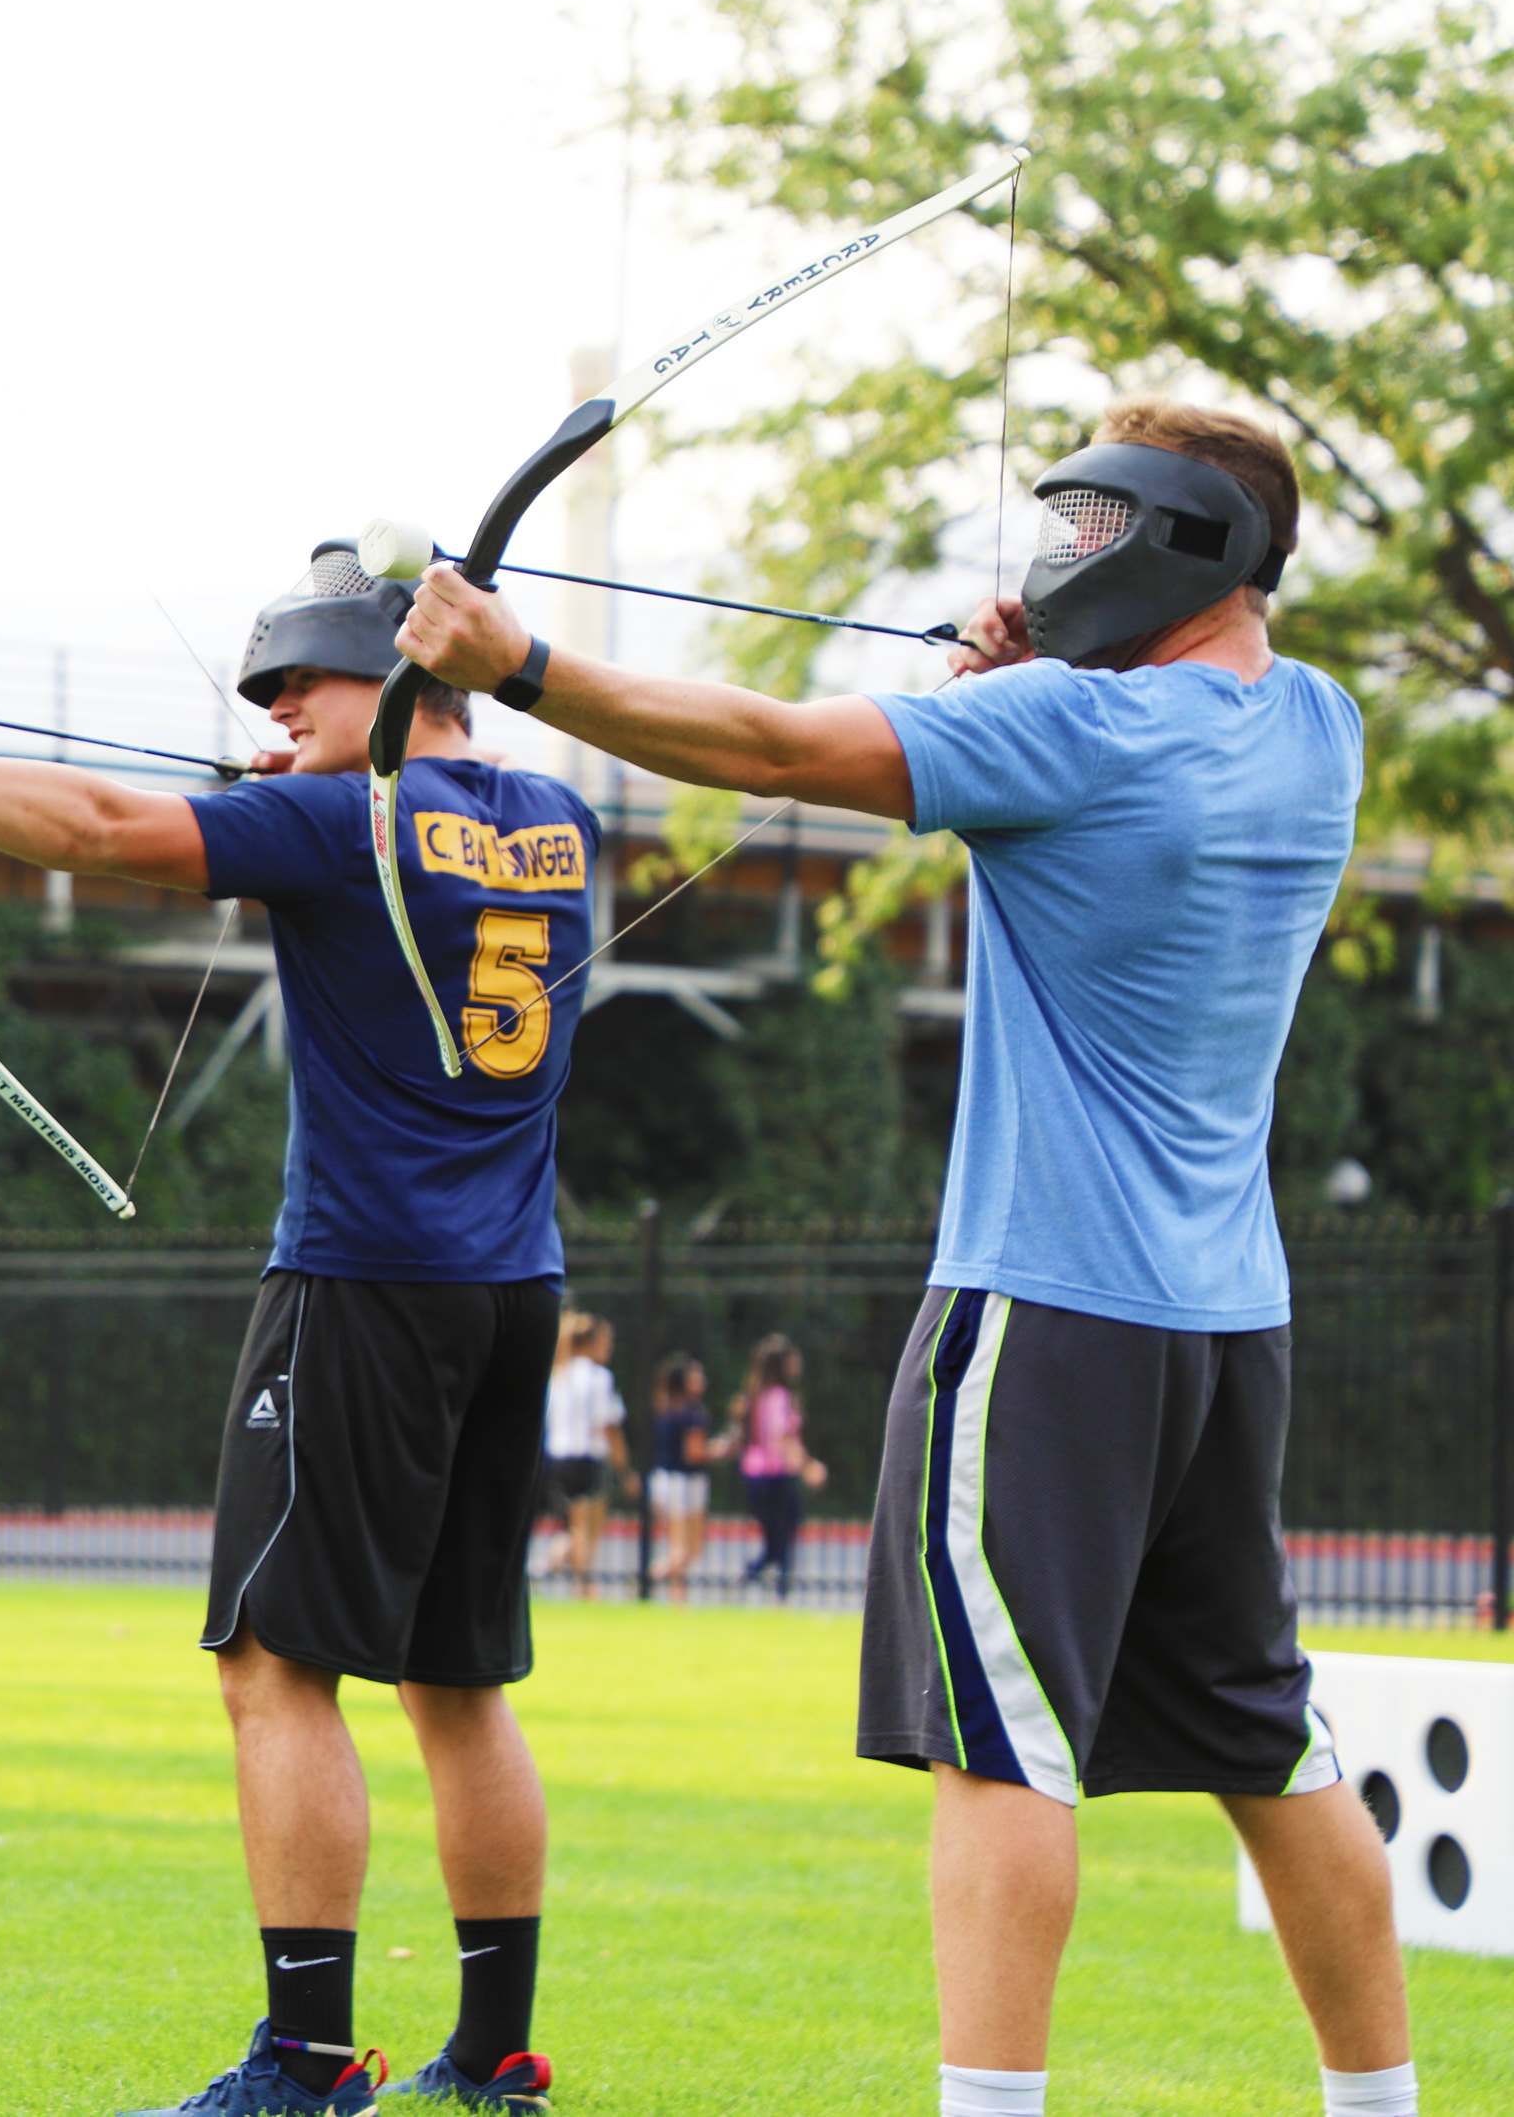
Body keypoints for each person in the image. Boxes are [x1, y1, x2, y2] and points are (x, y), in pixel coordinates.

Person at [397, 397, 1413, 2116]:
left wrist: (523, 660)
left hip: (1044, 1316)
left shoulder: (1075, 736)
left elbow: (777, 746)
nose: (1062, 555)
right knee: (1269, 1739)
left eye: (1095, 529)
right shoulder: (1318, 727)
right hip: (1227, 1327)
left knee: (1000, 1745)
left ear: (1186, 538)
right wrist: (1020, 687)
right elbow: (1084, 769)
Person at [0, 540, 595, 2114]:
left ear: (411, 672)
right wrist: (310, 787)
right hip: (512, 1289)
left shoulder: (335, 818)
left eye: (303, 690)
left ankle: (303, 2063)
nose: (277, 724)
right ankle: (496, 2052)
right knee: (458, 1683)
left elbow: (93, 825)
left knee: (275, 1667)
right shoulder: (562, 822)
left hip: (361, 1285)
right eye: (266, 703)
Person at [535, 1312, 629, 1596]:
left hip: (556, 1459)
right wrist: (624, 1468)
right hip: (587, 1459)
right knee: (588, 1530)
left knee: (574, 1527)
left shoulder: (557, 1375)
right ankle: (582, 1585)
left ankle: (572, 1575)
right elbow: (608, 1425)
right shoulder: (599, 1377)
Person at [728, 1336, 823, 1598]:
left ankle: (755, 1577)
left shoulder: (754, 1396)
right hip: (775, 1475)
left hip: (753, 1474)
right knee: (784, 1535)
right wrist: (808, 1466)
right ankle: (779, 1590)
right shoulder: (780, 1397)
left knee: (776, 1539)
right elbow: (781, 1438)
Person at [643, 1353, 719, 1591]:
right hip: (686, 1482)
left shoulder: (664, 1407)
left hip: (663, 1478)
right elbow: (694, 1453)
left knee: (680, 1545)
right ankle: (653, 1574)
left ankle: (677, 1594)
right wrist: (720, 1450)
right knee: (687, 1547)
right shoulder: (693, 1414)